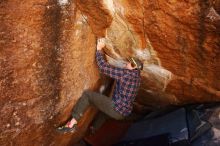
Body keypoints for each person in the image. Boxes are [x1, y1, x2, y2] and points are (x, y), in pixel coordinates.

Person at [57, 38, 143, 133]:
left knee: (87, 95)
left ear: (135, 69)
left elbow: (103, 67)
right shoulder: (138, 79)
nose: (127, 63)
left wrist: (99, 49)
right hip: (124, 112)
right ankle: (94, 129)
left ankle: (71, 124)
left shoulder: (127, 74)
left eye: (131, 64)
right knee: (104, 111)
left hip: (117, 108)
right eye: (129, 61)